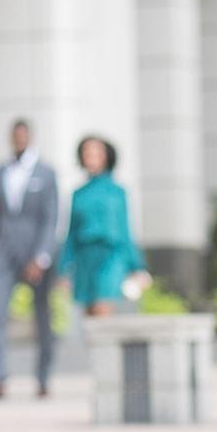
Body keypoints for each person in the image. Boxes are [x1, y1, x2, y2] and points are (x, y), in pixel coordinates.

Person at [0, 119, 59, 399]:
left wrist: (41, 256)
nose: (19, 140)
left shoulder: (46, 174)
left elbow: (50, 219)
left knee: (42, 315)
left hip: (36, 255)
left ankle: (43, 377)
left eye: (23, 136)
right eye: (15, 136)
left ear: (30, 138)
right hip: (2, 254)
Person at [59, 136, 149, 317]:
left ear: (106, 156)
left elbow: (125, 230)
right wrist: (64, 268)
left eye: (96, 152)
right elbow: (72, 233)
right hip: (85, 257)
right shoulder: (78, 194)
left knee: (103, 307)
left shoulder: (117, 192)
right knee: (89, 316)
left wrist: (137, 267)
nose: (91, 157)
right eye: (87, 152)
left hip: (110, 256)